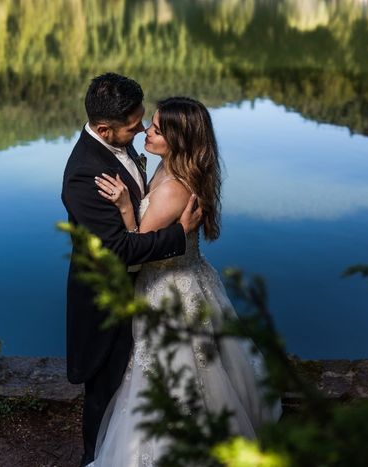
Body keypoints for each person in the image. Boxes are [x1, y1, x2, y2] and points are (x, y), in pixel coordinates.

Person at [89, 97, 282, 466]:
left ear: (179, 140)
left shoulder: (173, 188)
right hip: (191, 278)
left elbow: (139, 249)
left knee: (170, 373)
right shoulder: (175, 167)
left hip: (169, 291)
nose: (146, 132)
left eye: (157, 130)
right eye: (152, 124)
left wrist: (126, 206)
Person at [61, 74, 203, 467]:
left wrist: (130, 208)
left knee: (135, 385)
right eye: (134, 126)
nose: (141, 131)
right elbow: (119, 250)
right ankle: (94, 459)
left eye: (145, 122)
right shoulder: (84, 175)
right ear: (104, 129)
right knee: (104, 393)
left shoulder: (121, 147)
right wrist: (179, 235)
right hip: (108, 300)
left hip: (145, 290)